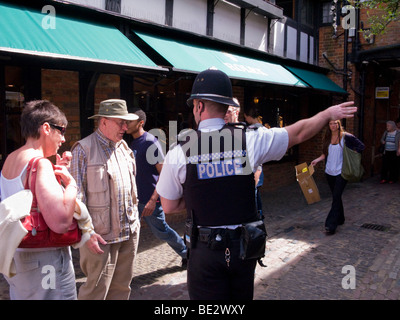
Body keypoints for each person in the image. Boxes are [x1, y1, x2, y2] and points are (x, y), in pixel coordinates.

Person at [155, 68, 357, 300]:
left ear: (199, 106)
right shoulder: (250, 139)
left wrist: (200, 196)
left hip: (205, 251)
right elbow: (298, 133)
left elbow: (168, 206)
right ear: (226, 106)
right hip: (244, 247)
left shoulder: (180, 152)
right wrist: (326, 114)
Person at [0, 100, 79, 299]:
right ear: (46, 128)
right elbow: (61, 222)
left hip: (18, 257)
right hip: (45, 261)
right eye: (61, 130)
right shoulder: (40, 164)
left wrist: (58, 175)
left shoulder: (10, 159)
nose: (63, 138)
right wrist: (71, 186)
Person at [70, 99, 140, 300]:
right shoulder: (83, 150)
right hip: (100, 238)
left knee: (122, 290)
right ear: (104, 122)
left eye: (126, 123)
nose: (125, 128)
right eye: (121, 123)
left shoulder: (124, 148)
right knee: (95, 292)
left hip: (129, 234)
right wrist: (87, 233)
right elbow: (76, 199)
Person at [126, 109, 187, 267]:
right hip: (134, 199)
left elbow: (163, 172)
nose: (126, 124)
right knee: (127, 233)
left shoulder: (150, 142)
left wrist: (153, 200)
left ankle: (187, 253)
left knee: (162, 231)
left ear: (140, 123)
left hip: (149, 200)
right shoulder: (132, 142)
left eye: (130, 121)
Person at [311, 120, 365, 235]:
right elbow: (325, 153)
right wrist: (317, 160)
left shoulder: (346, 137)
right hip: (329, 172)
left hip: (341, 172)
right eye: (331, 123)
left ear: (339, 124)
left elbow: (361, 146)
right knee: (336, 196)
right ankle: (341, 218)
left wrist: (351, 153)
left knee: (336, 197)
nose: (333, 125)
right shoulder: (327, 137)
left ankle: (331, 225)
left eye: (335, 123)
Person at [244, 106, 265, 217]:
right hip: (260, 165)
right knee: (256, 192)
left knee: (254, 193)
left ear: (247, 116)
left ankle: (257, 214)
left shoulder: (250, 131)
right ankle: (259, 213)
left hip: (254, 167)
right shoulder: (264, 129)